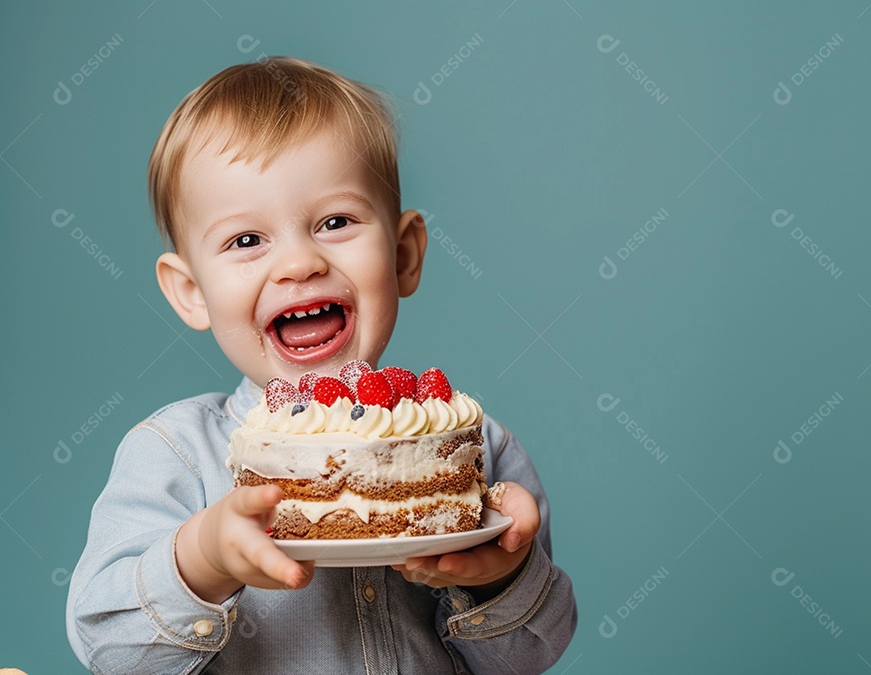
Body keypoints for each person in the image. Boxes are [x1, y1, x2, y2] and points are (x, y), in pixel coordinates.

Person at [66, 56, 577, 674]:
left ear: (404, 254)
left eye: (336, 222)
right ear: (191, 291)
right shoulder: (173, 454)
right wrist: (203, 559)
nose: (300, 263)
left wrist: (507, 575)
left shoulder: (472, 449)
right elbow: (114, 656)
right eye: (246, 240)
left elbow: (528, 657)